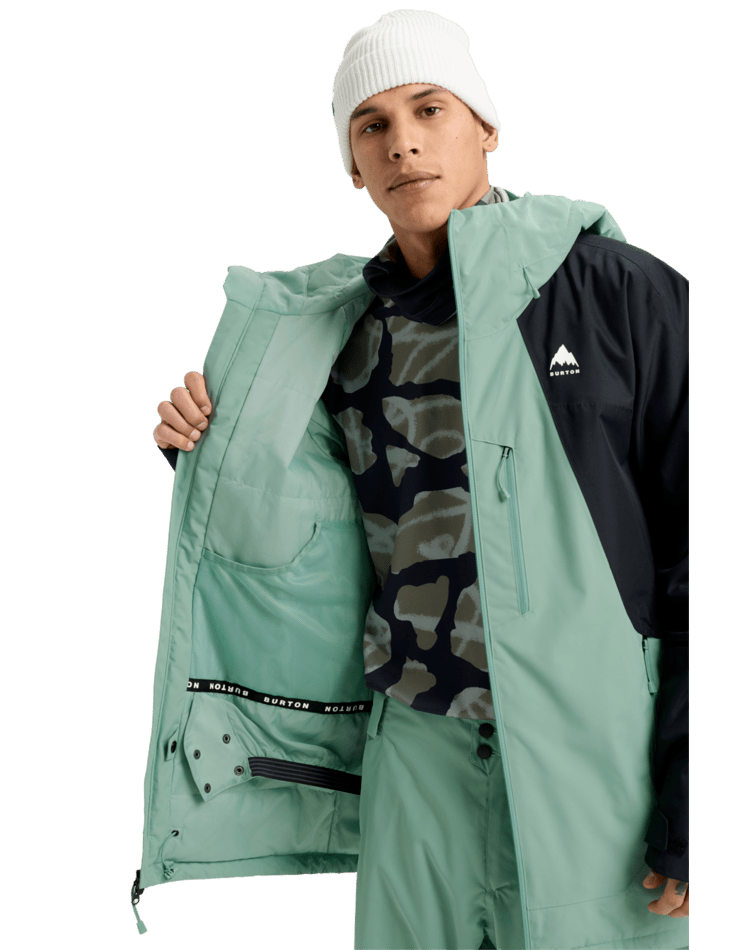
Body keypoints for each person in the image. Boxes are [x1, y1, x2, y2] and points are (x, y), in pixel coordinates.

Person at [148, 10, 688, 949]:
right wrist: (204, 446)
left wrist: (693, 786)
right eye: (372, 125)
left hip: (592, 748)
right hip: (415, 746)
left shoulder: (622, 293)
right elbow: (293, 527)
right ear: (354, 167)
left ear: (485, 125)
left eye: (428, 108)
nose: (403, 141)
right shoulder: (332, 334)